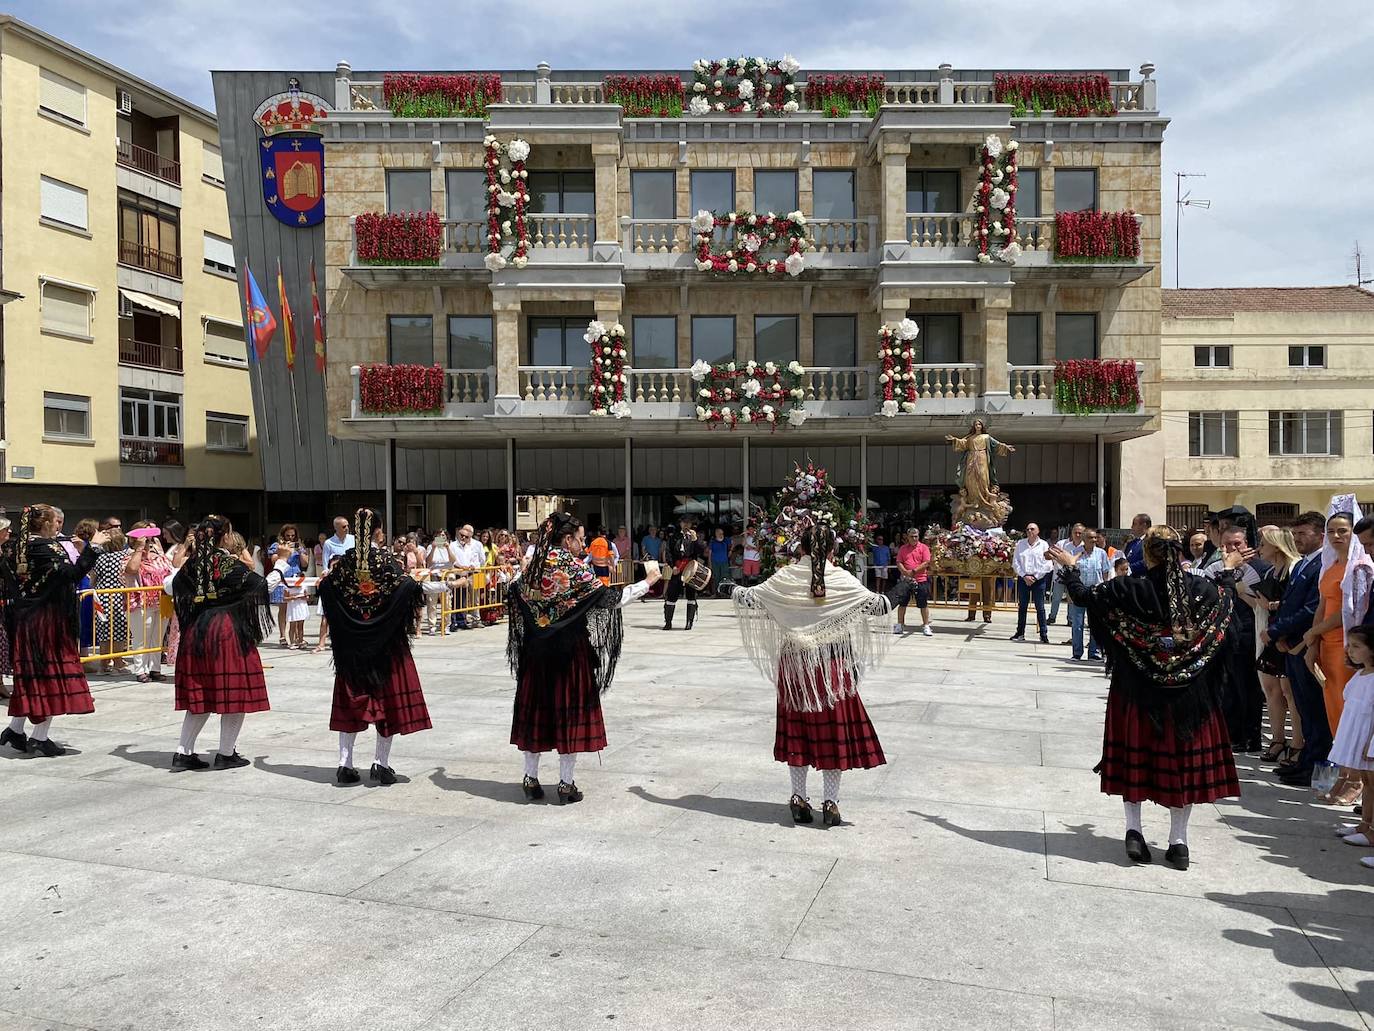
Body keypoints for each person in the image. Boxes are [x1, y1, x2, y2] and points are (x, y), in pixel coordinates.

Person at [1049, 527, 1248, 870]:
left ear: (1149, 555)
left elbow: (1085, 598)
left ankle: (1134, 831)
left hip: (1136, 692)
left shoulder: (1129, 588)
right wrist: (1228, 570)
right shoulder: (1202, 589)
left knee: (1134, 763)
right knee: (1184, 766)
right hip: (1191, 697)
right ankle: (1179, 841)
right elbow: (1227, 608)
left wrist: (1070, 567)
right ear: (1180, 553)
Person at [733, 520, 891, 826]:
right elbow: (878, 607)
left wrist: (731, 588)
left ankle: (798, 800)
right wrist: (903, 589)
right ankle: (831, 803)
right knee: (833, 735)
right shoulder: (840, 578)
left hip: (795, 670)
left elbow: (752, 597)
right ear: (832, 549)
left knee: (798, 735)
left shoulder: (787, 577)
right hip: (832, 669)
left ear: (800, 548)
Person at [506, 512, 660, 803]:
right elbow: (610, 599)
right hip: (569, 653)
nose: (584, 544)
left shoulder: (535, 565)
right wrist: (647, 582)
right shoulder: (571, 567)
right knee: (569, 712)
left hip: (536, 653)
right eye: (580, 539)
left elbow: (514, 590)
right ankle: (565, 784)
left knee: (536, 712)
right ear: (566, 540)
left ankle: (530, 778)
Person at [318, 508, 430, 786]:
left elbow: (327, 588)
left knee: (350, 705)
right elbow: (405, 590)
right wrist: (418, 582)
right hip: (385, 647)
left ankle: (345, 764)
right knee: (387, 704)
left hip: (352, 648)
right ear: (379, 530)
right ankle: (381, 764)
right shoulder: (385, 560)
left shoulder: (345, 562)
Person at [2, 506, 110, 756]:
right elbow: (72, 574)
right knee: (52, 675)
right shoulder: (48, 548)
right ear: (47, 524)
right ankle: (39, 737)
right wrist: (92, 547)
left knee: (32, 676)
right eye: (55, 521)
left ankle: (15, 731)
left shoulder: (15, 547)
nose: (58, 526)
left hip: (25, 618)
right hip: (48, 621)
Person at [168, 515, 271, 771]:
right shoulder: (226, 562)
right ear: (225, 536)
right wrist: (278, 568)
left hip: (196, 632)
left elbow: (171, 587)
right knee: (233, 694)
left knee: (200, 694)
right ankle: (226, 753)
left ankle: (183, 752)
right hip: (226, 632)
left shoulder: (193, 563)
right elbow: (259, 585)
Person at [1301, 506, 1373, 806]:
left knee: (1350, 715)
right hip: (1326, 645)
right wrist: (1314, 639)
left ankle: (1356, 779)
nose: (1336, 536)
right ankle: (1344, 774)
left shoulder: (1357, 567)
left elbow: (1350, 612)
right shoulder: (1330, 567)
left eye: (1342, 531)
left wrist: (1314, 631)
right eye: (1331, 531)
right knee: (1334, 715)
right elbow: (1323, 605)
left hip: (1346, 644)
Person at [1262, 511, 1327, 788]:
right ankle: (1305, 761)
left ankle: (1314, 764)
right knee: (1301, 705)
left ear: (1319, 535)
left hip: (1305, 644)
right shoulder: (1303, 565)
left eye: (1304, 534)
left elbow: (1311, 608)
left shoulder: (1321, 564)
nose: (1298, 539)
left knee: (1313, 708)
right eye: (1296, 534)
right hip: (1290, 645)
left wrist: (1277, 631)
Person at [1207, 525, 1269, 753]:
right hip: (1221, 635)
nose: (1232, 549)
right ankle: (1230, 734)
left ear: (1247, 545)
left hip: (1250, 635)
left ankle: (1251, 736)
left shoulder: (1262, 569)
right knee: (1226, 688)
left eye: (1237, 544)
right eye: (1227, 545)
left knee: (1249, 688)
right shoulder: (1215, 569)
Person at [1251, 527, 1301, 765]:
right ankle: (1278, 739)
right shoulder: (1272, 571)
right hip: (1270, 635)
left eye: (1262, 544)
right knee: (1271, 689)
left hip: (1287, 636)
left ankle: (1297, 743)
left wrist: (1271, 606)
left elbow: (1294, 603)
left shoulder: (1293, 568)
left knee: (1289, 692)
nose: (1259, 548)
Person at [1328, 626, 1374, 863]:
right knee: (1366, 782)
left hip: (1367, 736)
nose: (1350, 650)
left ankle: (1371, 830)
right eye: (1350, 645)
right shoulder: (1360, 674)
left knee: (1372, 783)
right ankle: (1364, 824)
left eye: (1357, 646)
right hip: (1356, 732)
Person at [944, 419, 1016, 527]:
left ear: (982, 426)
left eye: (979, 424)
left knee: (983, 479)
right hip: (971, 460)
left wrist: (1006, 447)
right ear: (973, 426)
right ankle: (973, 501)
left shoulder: (986, 437)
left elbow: (996, 444)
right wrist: (954, 440)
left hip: (982, 460)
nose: (978, 426)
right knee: (971, 481)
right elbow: (962, 443)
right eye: (976, 424)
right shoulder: (970, 437)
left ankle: (983, 501)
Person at [126, 523, 171, 684]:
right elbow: (131, 570)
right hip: (140, 602)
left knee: (157, 637)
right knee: (141, 638)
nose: (148, 542)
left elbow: (169, 569)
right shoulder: (129, 554)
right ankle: (140, 670)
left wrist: (159, 551)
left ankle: (155, 668)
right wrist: (139, 549)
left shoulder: (157, 554)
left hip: (161, 600)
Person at [91, 529, 132, 675]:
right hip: (119, 596)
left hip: (101, 596)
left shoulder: (99, 558)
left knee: (104, 632)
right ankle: (118, 664)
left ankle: (103, 665)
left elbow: (93, 579)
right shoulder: (126, 556)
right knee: (119, 631)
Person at [1066, 530, 1111, 661]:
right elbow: (1069, 573)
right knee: (1077, 624)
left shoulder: (1101, 554)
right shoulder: (1075, 553)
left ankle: (1093, 652)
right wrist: (1069, 592)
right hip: (1079, 593)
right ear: (1084, 539)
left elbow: (1105, 573)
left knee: (1095, 624)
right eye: (1091, 537)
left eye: (1095, 537)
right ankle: (1077, 652)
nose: (1094, 540)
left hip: (1096, 593)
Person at [662, 520, 708, 631]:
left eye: (688, 523)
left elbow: (701, 551)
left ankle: (689, 623)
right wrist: (672, 566)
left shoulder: (694, 537)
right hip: (677, 568)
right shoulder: (674, 537)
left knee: (691, 595)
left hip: (691, 569)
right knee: (671, 594)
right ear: (681, 524)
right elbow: (668, 552)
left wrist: (695, 540)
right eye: (684, 523)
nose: (686, 525)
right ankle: (668, 622)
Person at [1011, 523, 1052, 643]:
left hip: (1038, 580)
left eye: (1032, 529)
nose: (1030, 531)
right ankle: (1020, 632)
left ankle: (1043, 634)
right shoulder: (1020, 544)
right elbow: (1015, 562)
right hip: (1024, 579)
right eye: (1028, 529)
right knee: (1022, 607)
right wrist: (1024, 576)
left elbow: (1048, 564)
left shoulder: (1044, 545)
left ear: (1038, 531)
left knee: (1040, 607)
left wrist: (1035, 577)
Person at [890, 528, 933, 637]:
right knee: (902, 603)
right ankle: (900, 624)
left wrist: (914, 571)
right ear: (907, 537)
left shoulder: (924, 548)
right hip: (906, 580)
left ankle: (926, 625)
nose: (914, 538)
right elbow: (899, 561)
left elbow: (926, 562)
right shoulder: (903, 548)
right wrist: (904, 571)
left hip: (921, 579)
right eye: (912, 536)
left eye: (916, 536)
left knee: (923, 604)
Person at [449, 524, 487, 630]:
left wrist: (473, 566)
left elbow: (482, 559)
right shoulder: (453, 545)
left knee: (474, 598)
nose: (464, 537)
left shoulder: (476, 544)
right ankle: (456, 621)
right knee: (457, 599)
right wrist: (461, 567)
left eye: (467, 534)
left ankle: (474, 620)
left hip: (474, 573)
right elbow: (452, 560)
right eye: (462, 534)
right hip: (459, 574)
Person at [1047, 524, 1085, 625]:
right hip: (1061, 575)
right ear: (1071, 533)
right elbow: (1051, 554)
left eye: (1080, 533)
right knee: (1056, 598)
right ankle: (1052, 617)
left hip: (1075, 577)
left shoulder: (1085, 547)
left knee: (1072, 599)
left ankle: (1071, 619)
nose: (1077, 534)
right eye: (1075, 532)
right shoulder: (1063, 544)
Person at [870, 533, 891, 598]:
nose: (880, 540)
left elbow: (888, 557)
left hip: (885, 565)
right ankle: (877, 591)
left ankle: (882, 591)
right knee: (878, 578)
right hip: (877, 565)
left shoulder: (886, 548)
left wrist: (889, 566)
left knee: (884, 578)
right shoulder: (874, 547)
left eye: (881, 539)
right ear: (877, 540)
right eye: (879, 539)